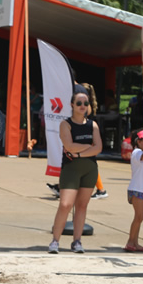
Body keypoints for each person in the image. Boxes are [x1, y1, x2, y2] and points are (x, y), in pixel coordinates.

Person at [48, 85, 102, 254]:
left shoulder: (93, 125)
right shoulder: (66, 124)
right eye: (79, 103)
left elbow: (98, 148)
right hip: (71, 169)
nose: (82, 106)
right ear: (72, 104)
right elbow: (69, 146)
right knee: (65, 204)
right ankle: (55, 240)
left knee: (82, 206)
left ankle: (77, 241)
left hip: (89, 169)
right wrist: (88, 146)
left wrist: (79, 153)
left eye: (85, 103)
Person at [124, 128, 143, 252]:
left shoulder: (142, 156)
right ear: (139, 142)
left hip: (142, 190)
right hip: (137, 189)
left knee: (140, 217)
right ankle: (130, 241)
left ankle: (135, 242)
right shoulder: (137, 152)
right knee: (139, 216)